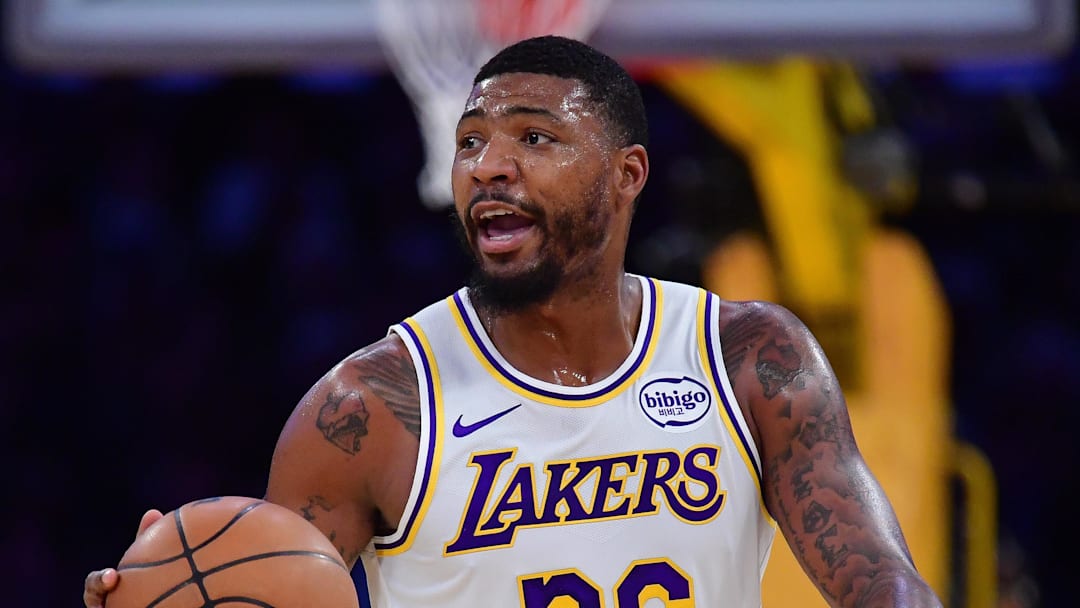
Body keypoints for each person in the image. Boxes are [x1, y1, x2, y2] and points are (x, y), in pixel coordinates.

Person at [85, 35, 942, 608]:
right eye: (470, 142)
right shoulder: (370, 409)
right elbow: (264, 588)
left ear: (627, 174)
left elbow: (881, 581)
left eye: (535, 138)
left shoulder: (749, 357)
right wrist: (168, 585)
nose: (489, 166)